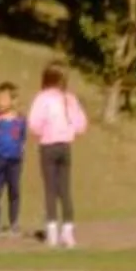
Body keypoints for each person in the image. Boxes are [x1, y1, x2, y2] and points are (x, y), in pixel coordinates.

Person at [28, 62, 90, 248]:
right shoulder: (69, 98)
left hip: (48, 145)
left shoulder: (43, 98)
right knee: (65, 188)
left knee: (50, 189)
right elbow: (81, 124)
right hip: (65, 146)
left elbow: (34, 123)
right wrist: (69, 130)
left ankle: (52, 230)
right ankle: (68, 231)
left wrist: (42, 131)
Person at [0, 82, 28, 237]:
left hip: (15, 160)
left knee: (14, 191)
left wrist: (21, 149)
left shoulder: (20, 120)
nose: (0, 102)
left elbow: (22, 137)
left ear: (13, 100)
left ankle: (14, 223)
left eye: (4, 98)